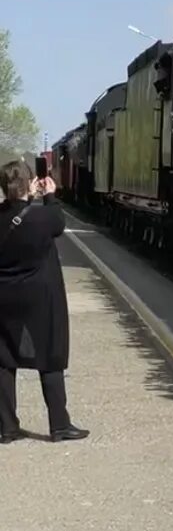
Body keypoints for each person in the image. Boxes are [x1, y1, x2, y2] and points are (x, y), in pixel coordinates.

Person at [0, 159, 88, 443]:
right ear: (29, 184)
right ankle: (59, 425)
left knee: (3, 359)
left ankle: (7, 427)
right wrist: (49, 194)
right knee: (50, 356)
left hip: (4, 296)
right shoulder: (41, 217)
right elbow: (59, 222)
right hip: (41, 298)